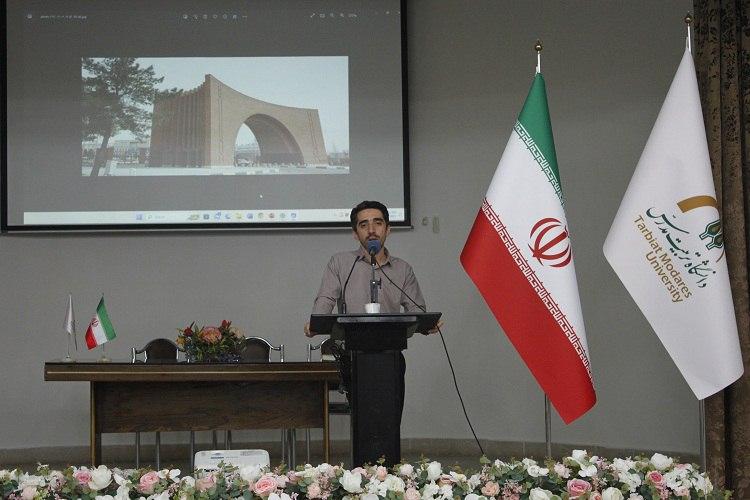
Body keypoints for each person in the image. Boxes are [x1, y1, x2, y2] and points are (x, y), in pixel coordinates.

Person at [304, 200, 438, 421]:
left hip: (391, 356)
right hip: (353, 357)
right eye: (364, 225)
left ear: (388, 229)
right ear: (355, 233)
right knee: (364, 422)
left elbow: (417, 310)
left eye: (378, 223)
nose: (372, 230)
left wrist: (427, 325)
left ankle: (389, 446)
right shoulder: (341, 263)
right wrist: (316, 322)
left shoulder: (403, 269)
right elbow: (326, 299)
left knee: (390, 421)